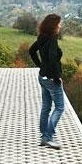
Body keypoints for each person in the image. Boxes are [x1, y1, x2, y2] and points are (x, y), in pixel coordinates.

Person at [29, 13, 65, 149]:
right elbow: (51, 59)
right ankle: (48, 137)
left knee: (46, 107)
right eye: (59, 24)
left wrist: (40, 65)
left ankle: (44, 135)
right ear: (53, 26)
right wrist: (56, 77)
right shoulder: (52, 39)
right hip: (50, 79)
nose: (60, 26)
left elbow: (31, 50)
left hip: (42, 77)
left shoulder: (42, 37)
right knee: (60, 107)